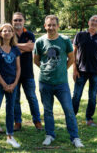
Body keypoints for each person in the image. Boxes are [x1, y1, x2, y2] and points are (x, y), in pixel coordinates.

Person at [34, 15, 84, 148]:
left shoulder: (65, 40)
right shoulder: (39, 41)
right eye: (48, 25)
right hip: (45, 82)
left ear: (58, 26)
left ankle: (75, 137)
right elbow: (36, 59)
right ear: (45, 26)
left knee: (68, 109)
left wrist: (62, 69)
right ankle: (49, 135)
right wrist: (46, 70)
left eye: (53, 25)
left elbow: (71, 58)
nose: (51, 27)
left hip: (61, 83)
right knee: (48, 110)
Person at [0, 24, 21, 150]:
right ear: (0, 33)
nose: (7, 32)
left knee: (10, 110)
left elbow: (18, 68)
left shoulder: (15, 49)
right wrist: (4, 84)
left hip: (13, 84)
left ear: (13, 33)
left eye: (9, 30)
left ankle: (10, 137)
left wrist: (15, 83)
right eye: (4, 30)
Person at [71, 15, 97, 127]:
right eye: (93, 20)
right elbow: (74, 53)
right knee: (76, 95)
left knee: (93, 96)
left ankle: (89, 118)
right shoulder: (80, 35)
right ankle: (71, 117)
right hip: (81, 71)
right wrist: (74, 69)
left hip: (95, 71)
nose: (94, 22)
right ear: (88, 22)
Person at [11, 12, 43, 131]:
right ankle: (17, 122)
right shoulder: (9, 33)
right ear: (12, 21)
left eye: (20, 20)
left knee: (32, 97)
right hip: (12, 73)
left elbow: (31, 47)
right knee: (15, 99)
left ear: (24, 21)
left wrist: (15, 46)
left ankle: (37, 121)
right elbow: (9, 50)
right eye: (15, 20)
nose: (18, 22)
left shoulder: (29, 34)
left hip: (27, 72)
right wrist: (24, 47)